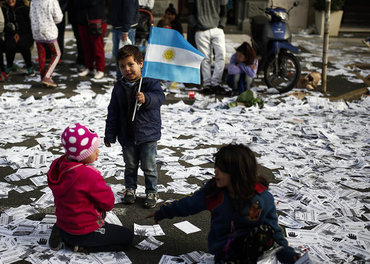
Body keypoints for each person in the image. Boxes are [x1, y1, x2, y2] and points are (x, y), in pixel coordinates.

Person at [147, 144, 300, 263]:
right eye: (216, 167)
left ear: (237, 172)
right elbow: (189, 204)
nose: (215, 172)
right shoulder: (214, 192)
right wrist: (163, 212)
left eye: (221, 169)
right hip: (224, 251)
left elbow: (274, 233)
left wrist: (291, 257)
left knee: (265, 231)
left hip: (252, 250)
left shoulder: (262, 198)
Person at [47, 123, 134, 252]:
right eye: (93, 149)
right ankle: (80, 245)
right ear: (81, 154)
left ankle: (60, 230)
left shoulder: (59, 165)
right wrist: (103, 185)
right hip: (83, 230)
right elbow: (108, 204)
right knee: (128, 237)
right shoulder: (89, 175)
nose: (98, 151)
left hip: (65, 222)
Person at [105, 45, 165, 209]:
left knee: (149, 166)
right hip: (127, 135)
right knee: (130, 165)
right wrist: (110, 134)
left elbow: (160, 97)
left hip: (147, 135)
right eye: (122, 66)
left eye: (131, 64)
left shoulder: (149, 82)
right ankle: (130, 189)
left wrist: (147, 98)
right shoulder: (119, 86)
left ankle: (152, 191)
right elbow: (113, 111)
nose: (127, 69)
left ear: (140, 63)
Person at [188, 0, 227, 94]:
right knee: (214, 57)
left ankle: (212, 83)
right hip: (206, 29)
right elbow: (224, 10)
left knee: (215, 57)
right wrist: (221, 24)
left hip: (209, 28)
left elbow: (191, 12)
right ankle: (209, 84)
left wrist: (221, 24)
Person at [29, 0, 62, 87]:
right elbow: (58, 18)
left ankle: (43, 77)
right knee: (57, 54)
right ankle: (47, 77)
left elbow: (31, 15)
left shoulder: (33, 1)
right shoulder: (52, 1)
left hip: (37, 31)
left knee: (41, 56)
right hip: (48, 31)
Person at [0, 0, 34, 77]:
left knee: (23, 44)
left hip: (25, 33)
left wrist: (19, 32)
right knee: (10, 45)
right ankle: (9, 65)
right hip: (10, 33)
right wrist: (13, 32)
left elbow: (29, 23)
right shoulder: (3, 9)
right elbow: (2, 23)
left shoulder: (24, 8)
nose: (10, 1)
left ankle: (29, 66)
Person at [76, 0, 107, 80]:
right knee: (86, 46)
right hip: (83, 20)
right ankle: (89, 67)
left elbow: (92, 2)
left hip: (96, 20)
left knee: (98, 47)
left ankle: (100, 69)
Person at [110, 0, 139, 80]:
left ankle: (126, 80)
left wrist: (125, 30)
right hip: (119, 26)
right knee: (119, 55)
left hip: (125, 28)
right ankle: (121, 80)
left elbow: (129, 9)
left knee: (126, 56)